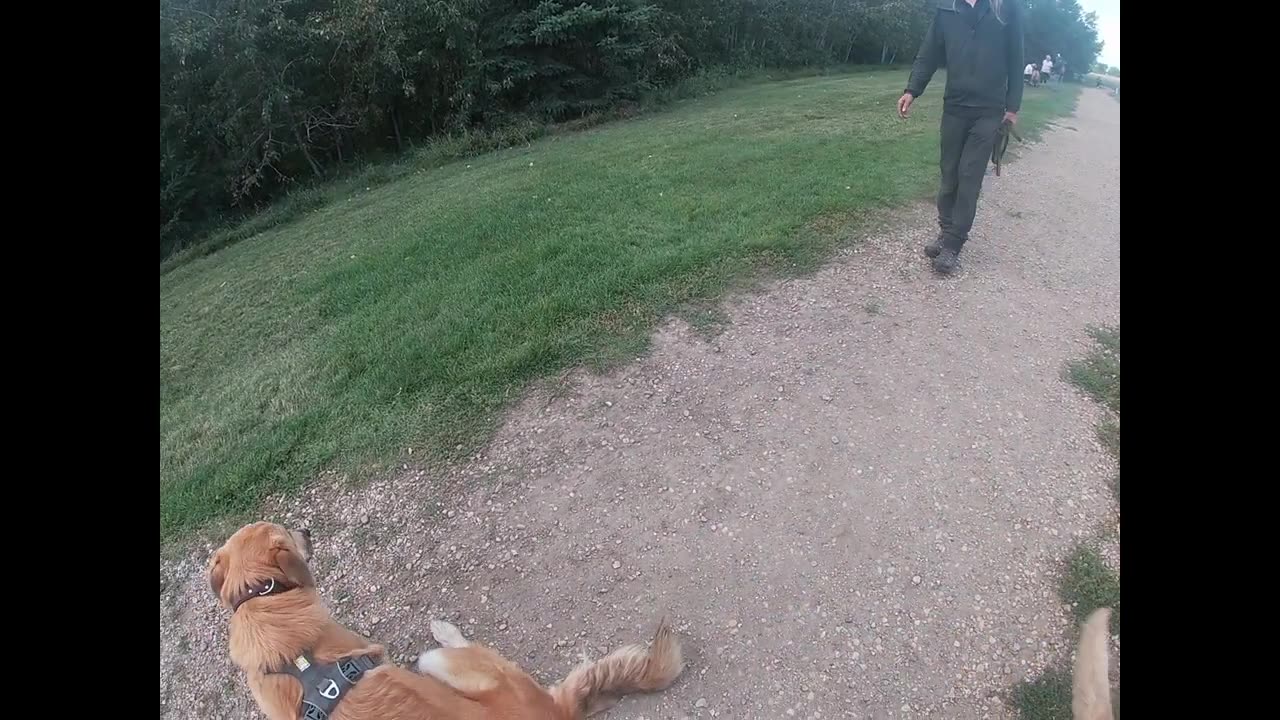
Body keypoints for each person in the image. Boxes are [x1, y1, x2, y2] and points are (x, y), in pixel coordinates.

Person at [897, 0, 1025, 274]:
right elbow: (928, 54)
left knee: (969, 176)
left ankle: (954, 244)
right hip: (954, 107)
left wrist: (1012, 108)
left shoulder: (1005, 9)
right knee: (949, 174)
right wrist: (912, 90)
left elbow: (1016, 58)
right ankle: (945, 231)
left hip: (989, 111)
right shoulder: (947, 9)